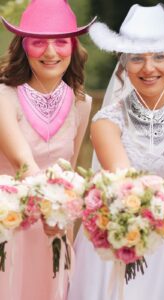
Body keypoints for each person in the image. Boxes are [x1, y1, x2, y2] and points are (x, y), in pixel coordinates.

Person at [68, 3, 164, 300]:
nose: (149, 68)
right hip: (126, 238)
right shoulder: (107, 122)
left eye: (159, 57)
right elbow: (124, 181)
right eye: (137, 59)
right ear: (123, 66)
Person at [0, 0, 95, 299]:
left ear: (73, 46)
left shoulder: (82, 103)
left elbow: (69, 170)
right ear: (23, 47)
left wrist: (66, 239)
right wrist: (51, 207)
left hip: (55, 235)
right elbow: (22, 162)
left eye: (61, 42)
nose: (51, 53)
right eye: (39, 43)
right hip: (9, 232)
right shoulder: (4, 96)